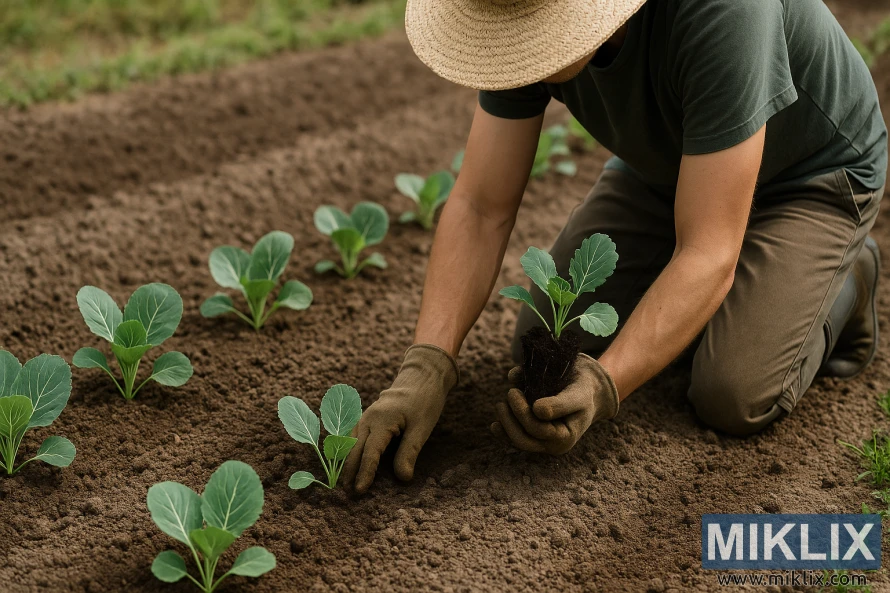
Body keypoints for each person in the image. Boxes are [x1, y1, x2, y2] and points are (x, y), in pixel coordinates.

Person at [342, 0, 888, 493]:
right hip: (672, 167)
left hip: (813, 178)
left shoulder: (724, 11)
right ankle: (737, 294)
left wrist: (606, 384)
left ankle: (846, 277)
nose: (522, 47)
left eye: (538, 29)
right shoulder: (515, 19)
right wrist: (426, 367)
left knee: (732, 393)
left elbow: (709, 249)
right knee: (548, 338)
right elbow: (482, 205)